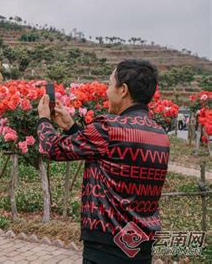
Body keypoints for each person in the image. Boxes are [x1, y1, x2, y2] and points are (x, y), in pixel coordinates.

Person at [37, 60, 169, 264]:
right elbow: (111, 157)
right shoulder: (160, 134)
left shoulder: (108, 127)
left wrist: (44, 120)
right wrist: (71, 127)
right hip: (139, 244)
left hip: (106, 245)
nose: (107, 91)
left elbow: (52, 148)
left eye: (110, 84)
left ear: (123, 89)